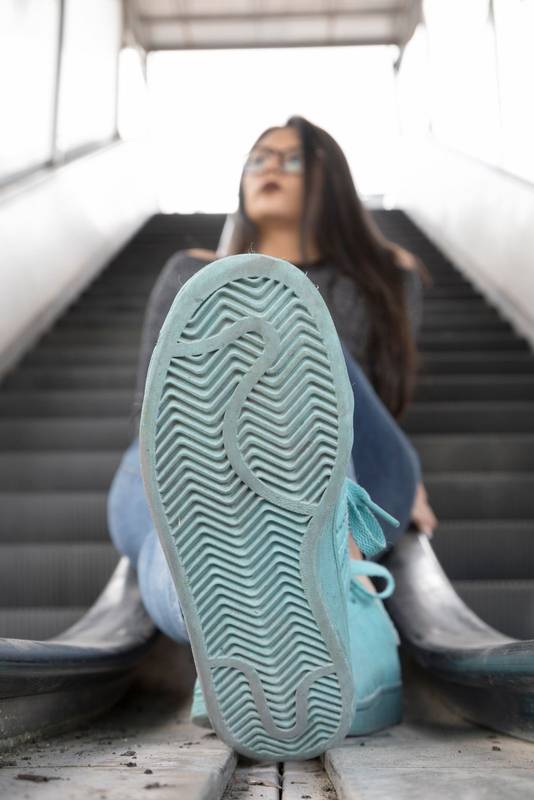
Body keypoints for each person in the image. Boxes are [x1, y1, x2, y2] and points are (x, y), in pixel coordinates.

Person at [107, 115, 437, 758]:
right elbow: (155, 409)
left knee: (304, 332)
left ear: (330, 178)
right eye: (258, 159)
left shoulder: (386, 273)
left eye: (291, 159)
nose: (268, 170)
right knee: (174, 534)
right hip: (181, 473)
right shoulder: (189, 271)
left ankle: (310, 564)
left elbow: (382, 401)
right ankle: (225, 598)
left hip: (354, 476)